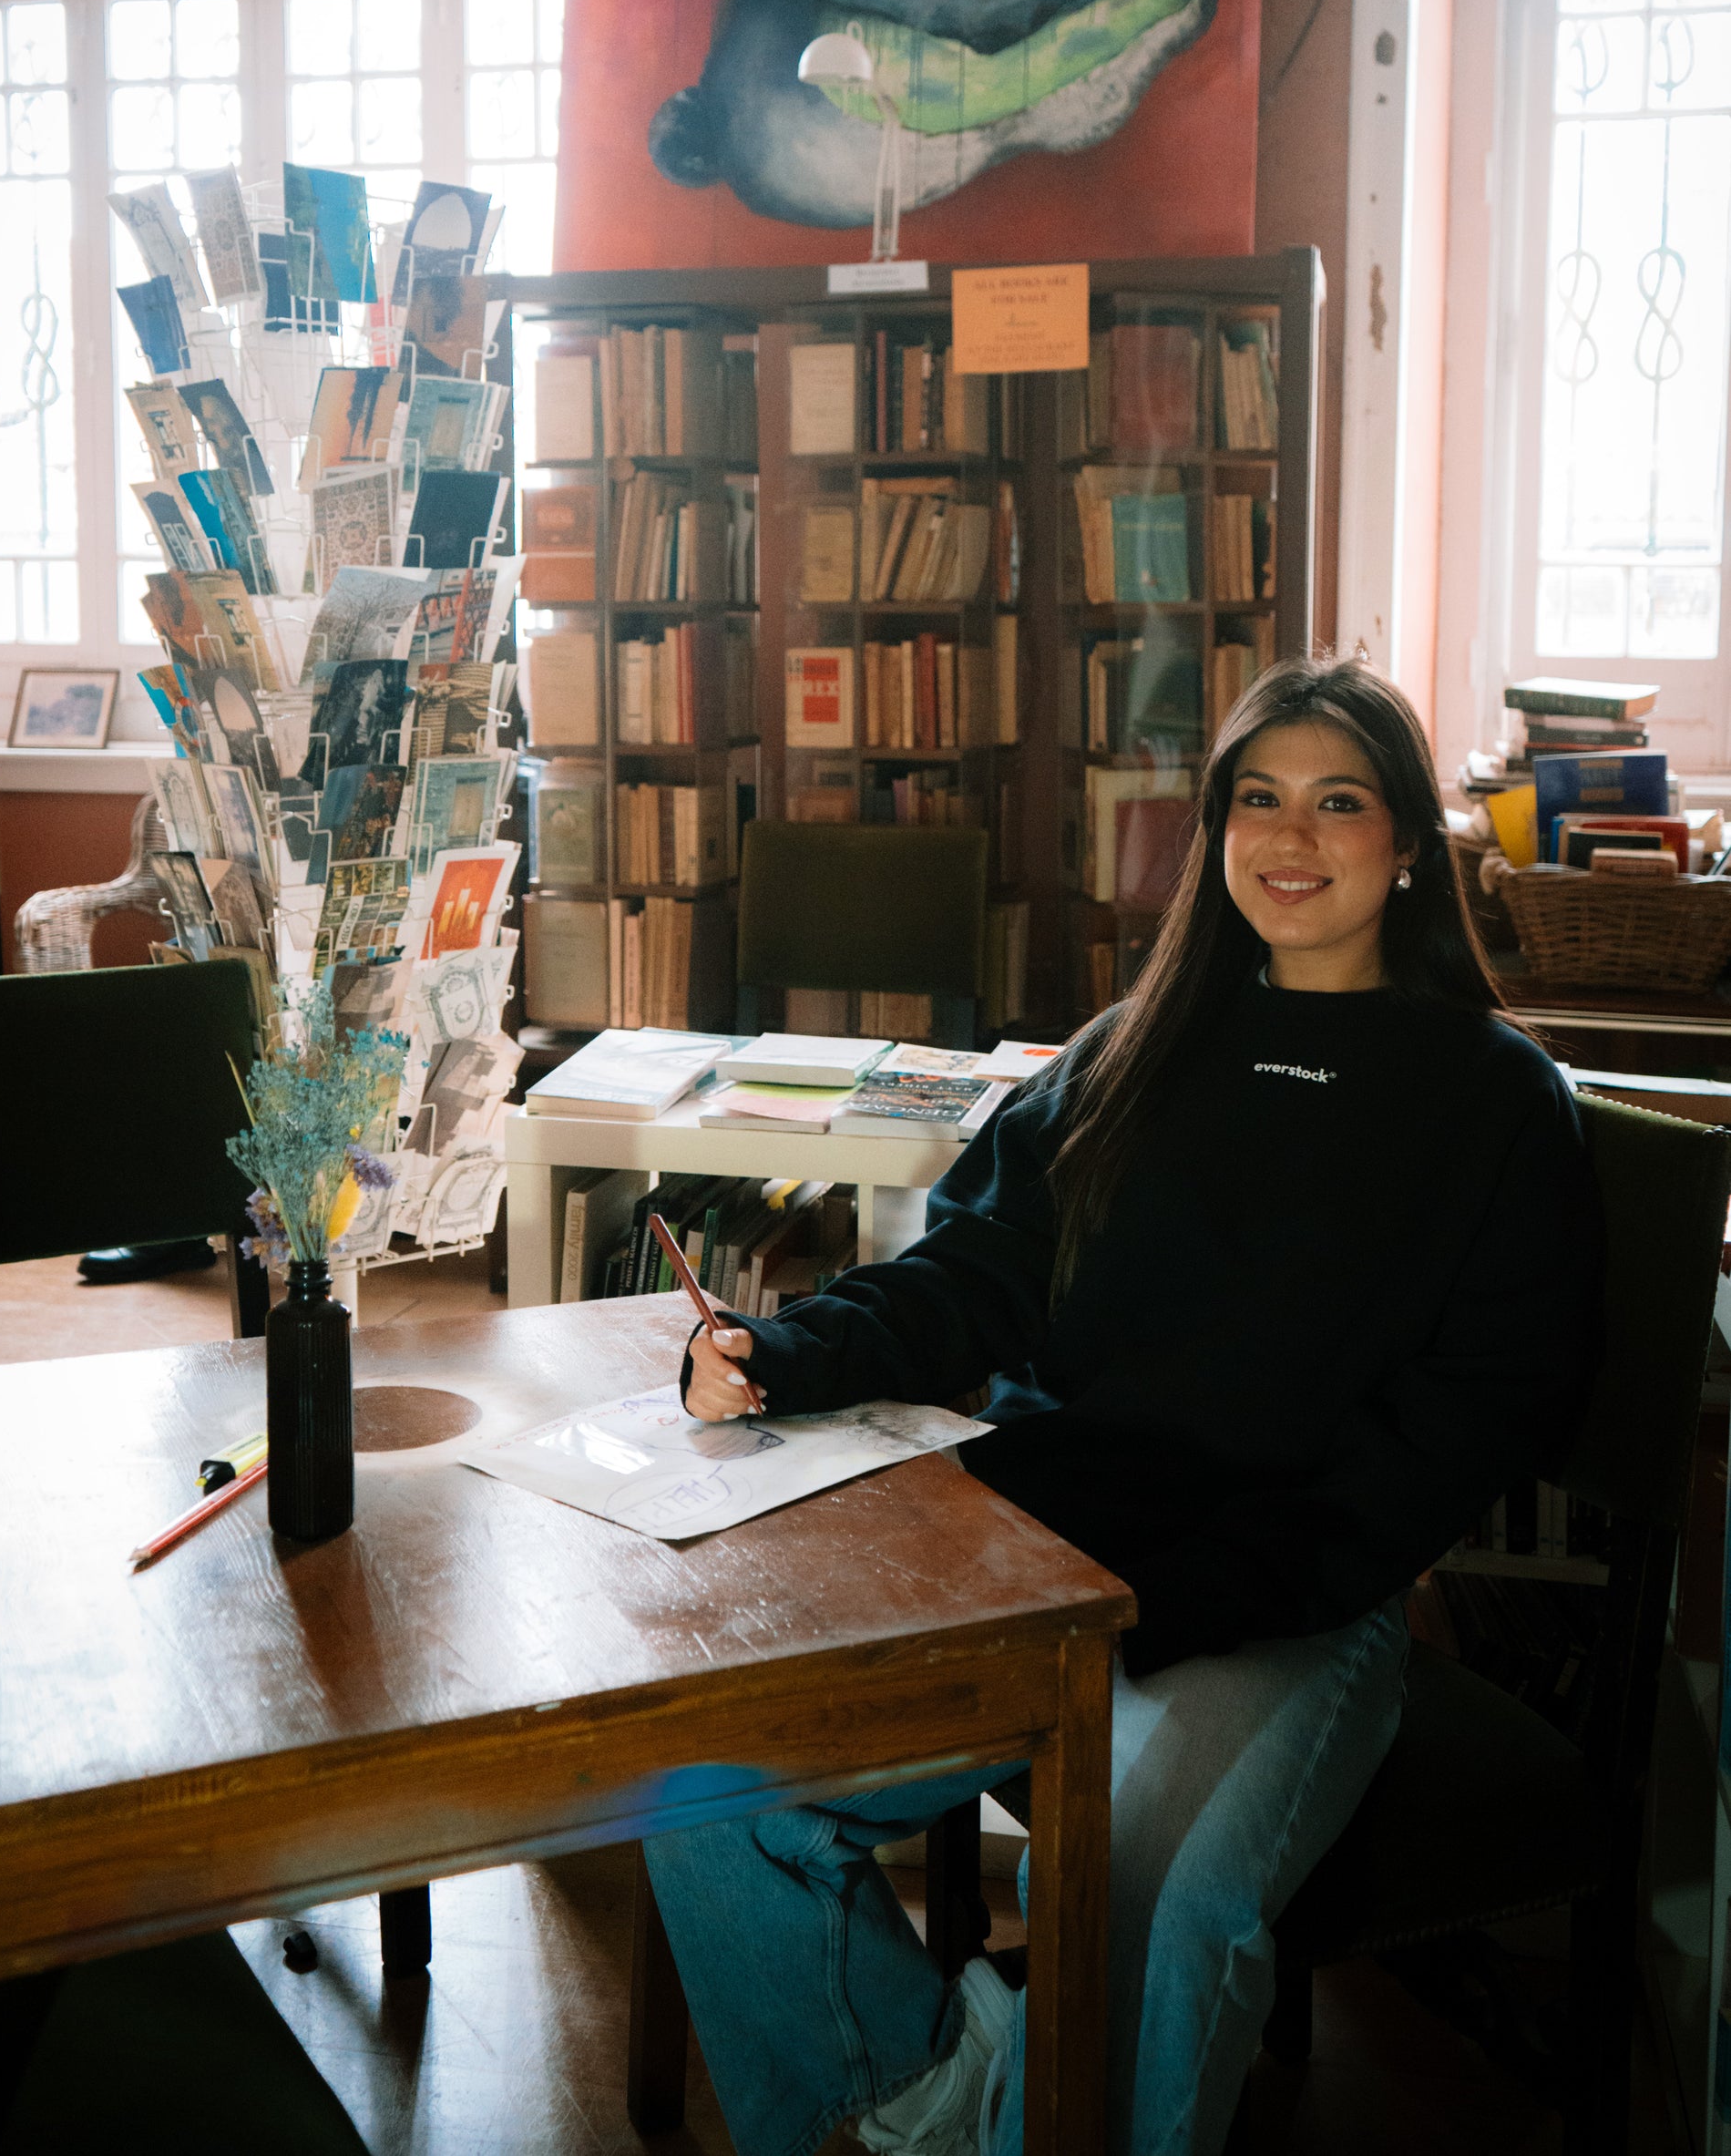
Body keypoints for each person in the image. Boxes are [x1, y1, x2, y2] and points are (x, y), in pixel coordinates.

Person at [645, 655, 1602, 2156]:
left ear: (1410, 844)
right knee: (709, 1780)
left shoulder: (1495, 1102)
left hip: (1279, 1601)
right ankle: (933, 2116)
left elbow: (1458, 1434)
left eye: (1338, 803)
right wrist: (792, 1352)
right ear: (1214, 832)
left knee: (1158, 1895)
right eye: (1255, 801)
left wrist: (1187, 1595)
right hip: (1035, 1555)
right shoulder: (1127, 1051)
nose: (1289, 840)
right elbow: (976, 1275)